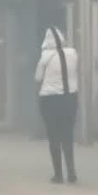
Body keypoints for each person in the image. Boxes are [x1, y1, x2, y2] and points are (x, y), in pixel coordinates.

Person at [34, 26, 80, 184]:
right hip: (70, 98)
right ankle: (72, 171)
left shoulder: (44, 57)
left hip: (50, 100)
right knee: (68, 134)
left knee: (53, 137)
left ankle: (58, 174)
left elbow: (38, 79)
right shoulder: (73, 53)